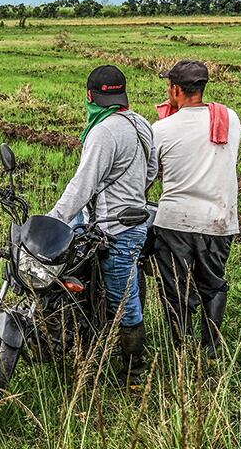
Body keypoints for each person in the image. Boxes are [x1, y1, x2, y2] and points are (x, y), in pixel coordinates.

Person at [47, 65, 158, 389]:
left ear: (89, 97)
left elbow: (83, 185)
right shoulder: (140, 123)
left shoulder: (103, 132)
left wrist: (52, 220)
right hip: (125, 221)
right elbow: (151, 171)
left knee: (123, 299)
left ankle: (135, 372)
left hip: (116, 230)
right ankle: (86, 338)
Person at [152, 60, 241, 360]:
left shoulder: (161, 128)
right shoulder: (228, 118)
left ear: (175, 90)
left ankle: (181, 348)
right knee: (213, 283)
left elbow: (153, 173)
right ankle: (212, 349)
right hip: (219, 219)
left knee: (175, 288)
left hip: (175, 220)